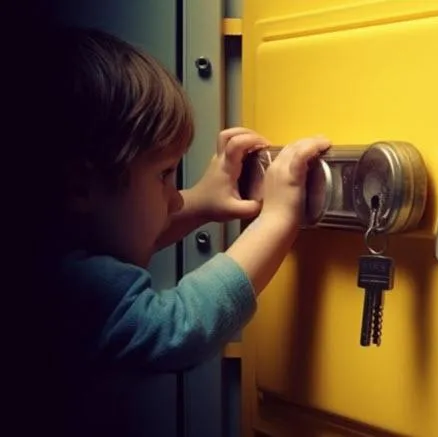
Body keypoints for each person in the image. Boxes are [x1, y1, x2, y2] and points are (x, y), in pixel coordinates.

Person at [14, 25, 330, 435]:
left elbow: (119, 245)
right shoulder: (59, 289)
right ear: (78, 186)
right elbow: (174, 326)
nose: (174, 198)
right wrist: (277, 222)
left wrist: (200, 201)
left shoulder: (46, 251)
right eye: (164, 175)